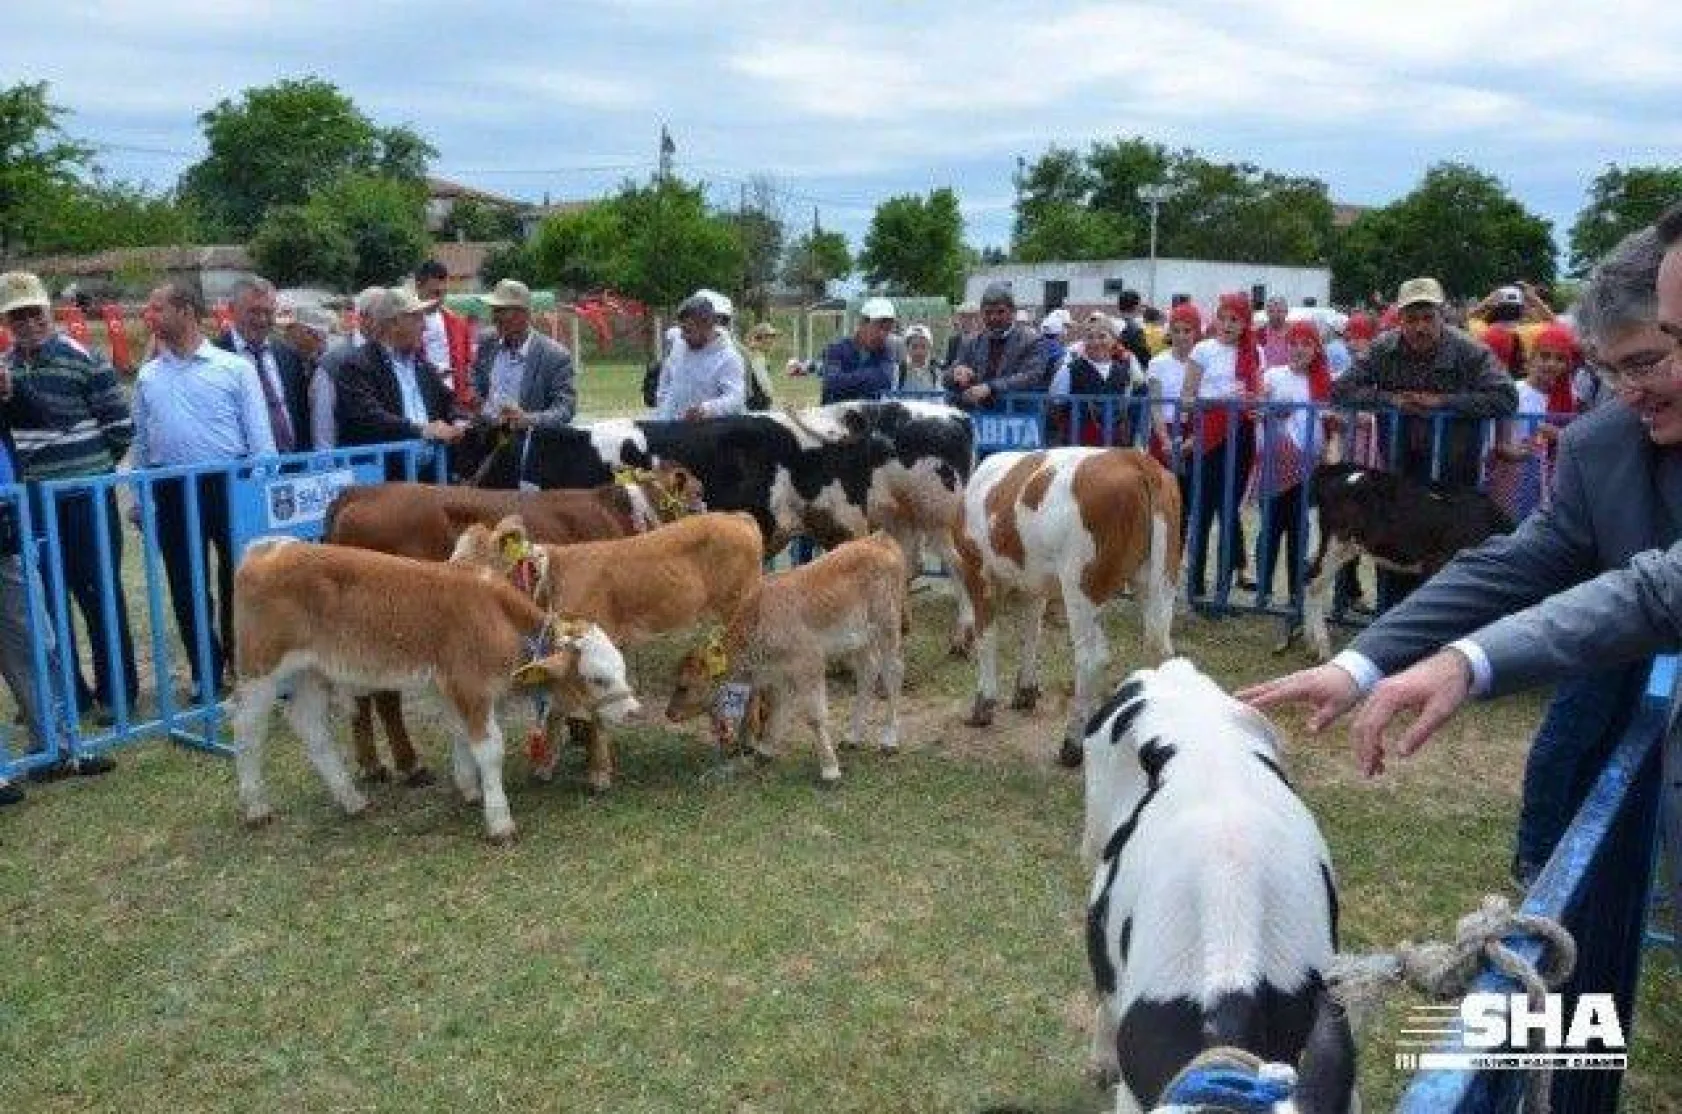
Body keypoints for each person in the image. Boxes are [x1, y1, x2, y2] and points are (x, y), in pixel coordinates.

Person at [1237, 215, 1682, 903]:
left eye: (1653, 359)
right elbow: (1514, 562)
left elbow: (1657, 589)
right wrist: (1359, 662)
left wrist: (1466, 660)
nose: (1629, 392)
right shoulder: (1603, 447)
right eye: (1610, 370)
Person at [1329, 276, 1517, 608]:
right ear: (1400, 319)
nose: (1420, 327)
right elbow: (1342, 389)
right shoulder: (1383, 348)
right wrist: (1390, 400)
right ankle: (1390, 618)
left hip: (1453, 473)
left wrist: (1443, 403)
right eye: (1411, 318)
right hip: (1401, 467)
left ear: (1442, 315)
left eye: (1428, 317)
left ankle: (1442, 623)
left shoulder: (1470, 350)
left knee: (1450, 552)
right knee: (1395, 541)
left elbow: (1505, 396)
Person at [1, 271, 137, 725]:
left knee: (100, 594)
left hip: (86, 495)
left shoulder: (85, 358)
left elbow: (120, 429)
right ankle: (71, 696)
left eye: (34, 313)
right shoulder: (5, 367)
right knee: (50, 600)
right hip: (34, 500)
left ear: (48, 313)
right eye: (16, 316)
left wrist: (89, 468)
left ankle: (118, 692)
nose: (28, 323)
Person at [131, 283, 276, 699]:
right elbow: (142, 442)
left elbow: (260, 438)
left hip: (229, 485)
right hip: (172, 488)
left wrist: (259, 493)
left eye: (157, 308)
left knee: (244, 580)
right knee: (185, 583)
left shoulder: (233, 368)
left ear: (186, 311)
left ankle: (248, 667)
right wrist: (142, 499)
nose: (149, 316)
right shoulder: (148, 376)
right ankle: (205, 673)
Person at [1179, 292, 1263, 599]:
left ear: (1245, 324)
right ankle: (1196, 585)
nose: (1227, 325)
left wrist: (1254, 404)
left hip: (1241, 435)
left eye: (1235, 319)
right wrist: (1221, 401)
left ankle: (1223, 590)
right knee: (1201, 511)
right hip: (1208, 437)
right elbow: (1187, 399)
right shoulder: (1203, 349)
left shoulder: (1253, 352)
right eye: (1223, 317)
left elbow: (1259, 394)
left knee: (1230, 512)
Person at [336, 287, 469, 472]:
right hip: (384, 485)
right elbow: (368, 418)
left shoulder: (423, 366)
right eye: (417, 318)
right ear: (394, 323)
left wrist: (459, 422)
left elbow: (447, 402)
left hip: (428, 479)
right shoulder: (357, 366)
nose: (425, 326)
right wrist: (422, 430)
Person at [1253, 320, 1333, 615]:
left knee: (1301, 532)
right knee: (1269, 530)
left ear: (1316, 349)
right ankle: (1263, 592)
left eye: (1306, 344)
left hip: (1309, 469)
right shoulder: (1273, 376)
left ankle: (1297, 595)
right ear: (1287, 346)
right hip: (1275, 465)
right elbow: (1255, 408)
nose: (1299, 350)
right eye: (1294, 344)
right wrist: (1270, 410)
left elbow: (1330, 422)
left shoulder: (1325, 382)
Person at [215, 276, 310, 457]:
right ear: (232, 310)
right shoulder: (215, 358)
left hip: (293, 466)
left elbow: (301, 414)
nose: (262, 319)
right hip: (241, 470)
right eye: (254, 312)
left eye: (268, 312)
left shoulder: (288, 355)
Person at [471, 279, 577, 433]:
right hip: (485, 439)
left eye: (501, 311)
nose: (494, 318)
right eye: (494, 310)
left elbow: (565, 410)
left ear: (522, 315)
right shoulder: (487, 343)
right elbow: (476, 385)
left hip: (529, 446)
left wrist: (528, 420)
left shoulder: (555, 356)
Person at [942, 283, 1054, 409]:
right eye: (988, 312)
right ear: (981, 313)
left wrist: (990, 387)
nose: (994, 317)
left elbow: (1030, 376)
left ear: (1013, 312)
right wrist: (956, 375)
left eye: (1000, 312)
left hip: (1018, 417)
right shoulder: (971, 342)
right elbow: (946, 377)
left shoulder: (1033, 341)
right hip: (978, 417)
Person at [1049, 315, 1142, 446]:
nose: (1096, 342)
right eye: (1090, 337)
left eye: (1102, 336)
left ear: (1114, 340)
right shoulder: (1069, 370)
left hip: (1114, 445)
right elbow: (1056, 406)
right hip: (1079, 444)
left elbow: (1125, 406)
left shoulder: (1123, 371)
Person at [654, 293, 746, 421]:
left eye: (688, 331)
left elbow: (736, 399)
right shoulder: (678, 346)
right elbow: (665, 384)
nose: (682, 336)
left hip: (710, 434)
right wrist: (661, 415)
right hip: (671, 430)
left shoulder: (729, 358)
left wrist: (706, 409)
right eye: (682, 329)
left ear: (708, 326)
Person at [820, 297, 898, 405]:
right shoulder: (836, 349)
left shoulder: (886, 353)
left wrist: (847, 380)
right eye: (878, 327)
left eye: (887, 329)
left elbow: (885, 381)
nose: (882, 334)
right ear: (862, 323)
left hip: (868, 418)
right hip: (835, 418)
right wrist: (870, 375)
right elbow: (832, 383)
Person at [415, 259, 476, 397]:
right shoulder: (405, 324)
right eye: (435, 293)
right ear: (419, 286)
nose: (441, 298)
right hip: (421, 398)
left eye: (444, 293)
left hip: (454, 401)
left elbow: (468, 364)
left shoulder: (459, 324)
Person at [1112, 288, 1154, 370]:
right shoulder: (1135, 329)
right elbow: (1144, 358)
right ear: (1136, 306)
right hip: (1129, 372)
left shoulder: (1109, 325)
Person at [898, 324, 940, 391]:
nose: (919, 352)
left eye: (923, 347)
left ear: (929, 348)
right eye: (914, 347)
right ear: (907, 348)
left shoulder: (935, 371)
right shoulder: (899, 371)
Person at [1256, 295, 1293, 366]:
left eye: (1279, 311)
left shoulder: (1295, 333)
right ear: (1266, 313)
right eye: (1271, 311)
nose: (1275, 314)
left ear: (1286, 312)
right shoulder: (1259, 334)